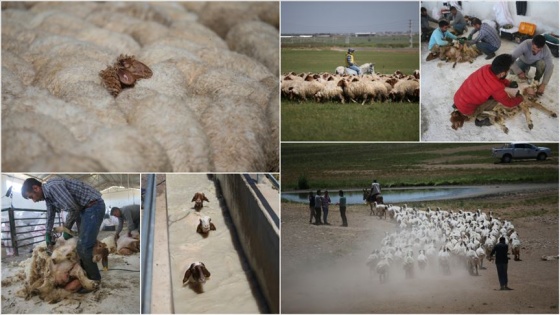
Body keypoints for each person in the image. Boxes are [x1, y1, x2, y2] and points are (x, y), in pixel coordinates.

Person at [22, 177, 105, 293]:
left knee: (84, 246)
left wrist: (66, 229)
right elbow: (50, 215)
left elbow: (73, 209)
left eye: (31, 197)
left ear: (36, 188)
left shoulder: (53, 187)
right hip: (84, 209)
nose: (33, 201)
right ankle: (83, 273)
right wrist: (47, 233)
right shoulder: (48, 197)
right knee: (81, 244)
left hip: (93, 206)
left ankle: (94, 281)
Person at [453, 54, 525, 126]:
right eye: (508, 70)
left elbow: (496, 78)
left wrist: (508, 83)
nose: (508, 71)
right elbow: (509, 103)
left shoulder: (486, 68)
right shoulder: (497, 87)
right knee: (495, 99)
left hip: (457, 98)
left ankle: (458, 105)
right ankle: (481, 119)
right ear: (502, 73)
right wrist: (520, 98)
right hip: (467, 111)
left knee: (483, 90)